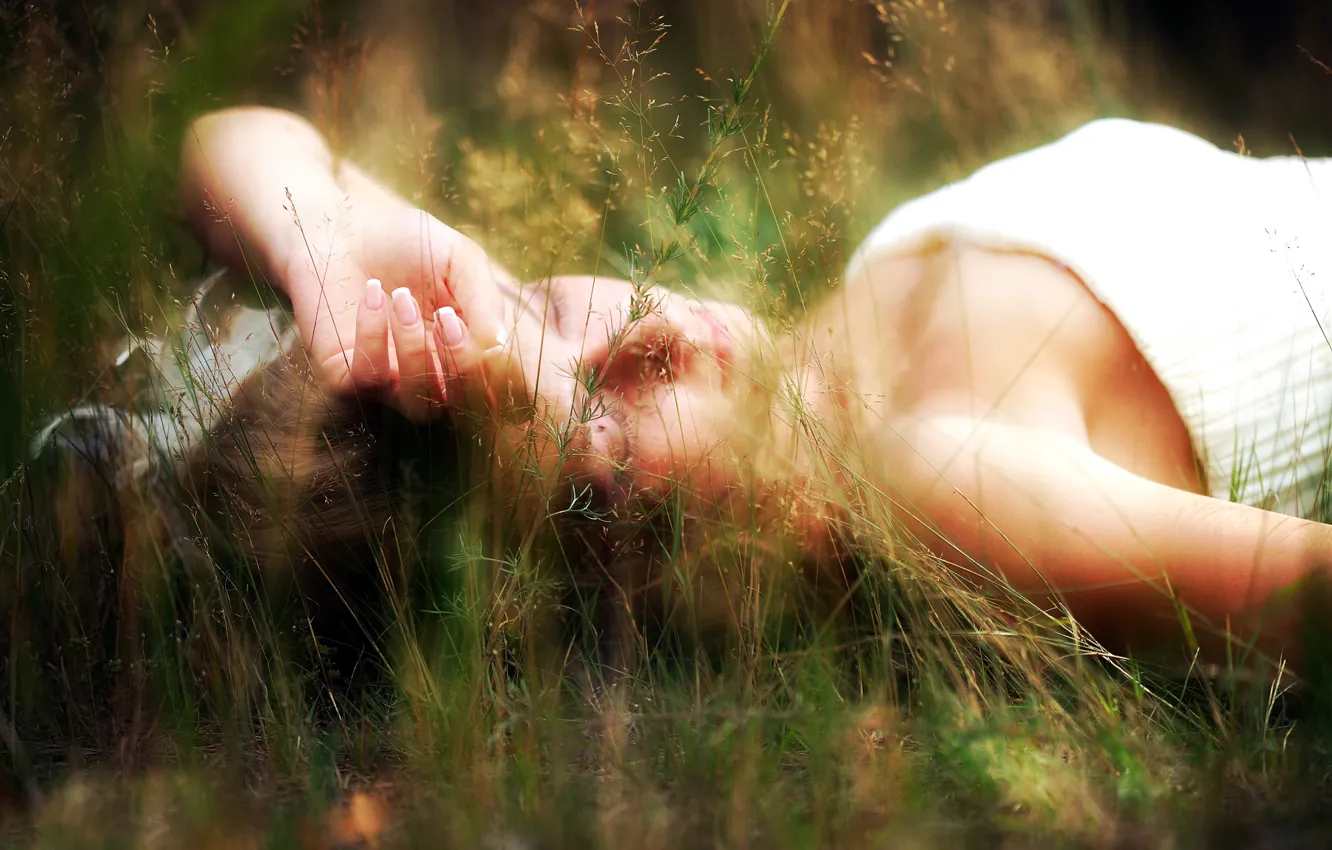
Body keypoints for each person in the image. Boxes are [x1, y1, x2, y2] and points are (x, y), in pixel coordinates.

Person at [41, 107, 1332, 667]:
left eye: (545, 304)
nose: (643, 329)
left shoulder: (845, 333)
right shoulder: (938, 476)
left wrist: (322, 250)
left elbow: (226, 141)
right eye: (598, 440)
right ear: (613, 578)